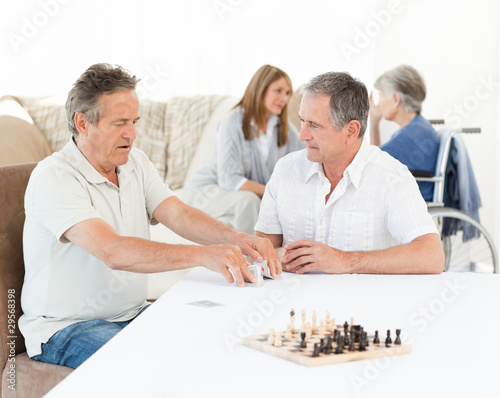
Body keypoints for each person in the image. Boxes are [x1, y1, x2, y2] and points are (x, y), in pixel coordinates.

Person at [19, 63, 281, 369]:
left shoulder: (135, 163)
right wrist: (204, 256)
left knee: (215, 340)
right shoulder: (55, 176)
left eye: (134, 121)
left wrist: (240, 239)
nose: (131, 133)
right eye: (119, 123)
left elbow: (179, 214)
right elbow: (113, 251)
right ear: (82, 123)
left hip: (133, 313)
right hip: (66, 327)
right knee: (153, 366)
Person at [255, 71, 444, 275]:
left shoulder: (391, 178)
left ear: (351, 131)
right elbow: (262, 252)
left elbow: (431, 257)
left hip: (362, 303)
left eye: (314, 125)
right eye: (302, 121)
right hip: (295, 303)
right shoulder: (286, 170)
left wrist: (346, 261)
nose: (302, 135)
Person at [183, 64, 304, 234]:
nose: (283, 99)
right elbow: (229, 179)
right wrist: (274, 193)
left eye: (287, 93)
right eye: (278, 90)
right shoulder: (232, 121)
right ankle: (251, 257)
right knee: (249, 202)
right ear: (260, 89)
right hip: (209, 191)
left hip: (241, 199)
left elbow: (304, 158)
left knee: (260, 207)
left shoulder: (284, 128)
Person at [369, 65, 440, 201]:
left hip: (409, 202)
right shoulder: (417, 127)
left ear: (396, 100)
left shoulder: (411, 136)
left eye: (382, 95)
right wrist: (374, 122)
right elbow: (377, 159)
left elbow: (371, 167)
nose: (378, 103)